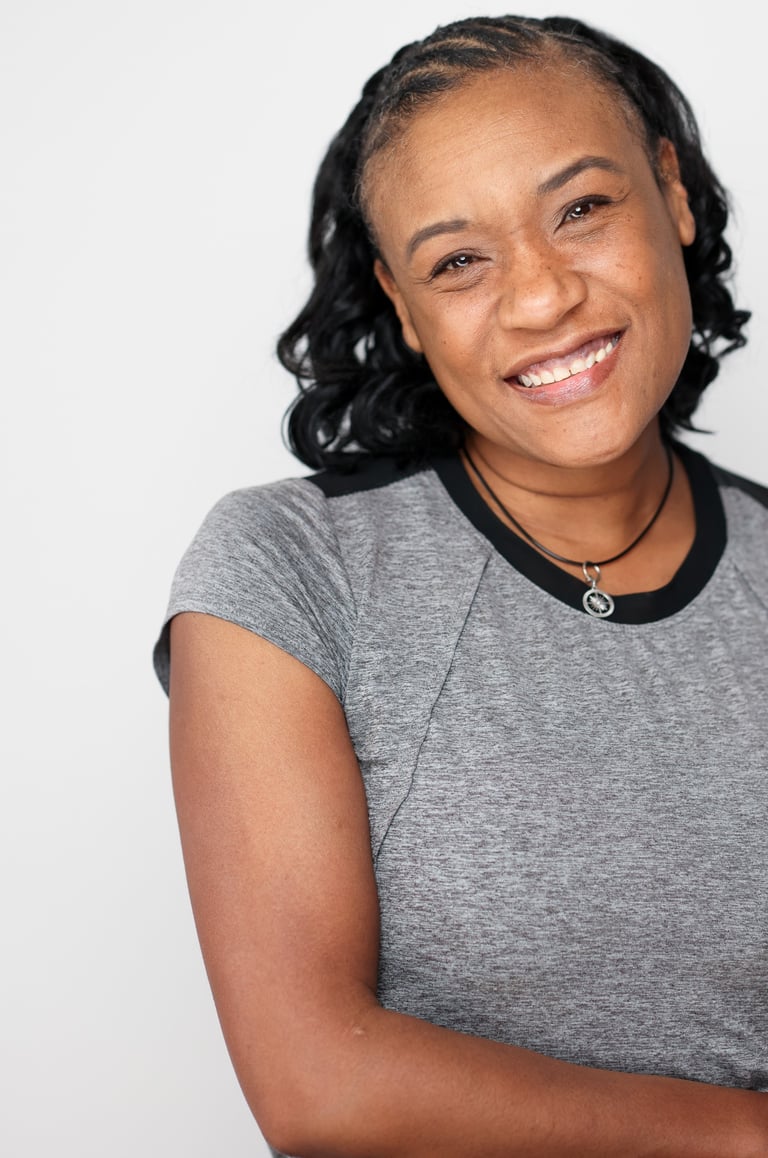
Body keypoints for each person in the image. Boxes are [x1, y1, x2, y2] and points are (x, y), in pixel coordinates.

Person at [153, 14, 768, 1157]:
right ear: (402, 303)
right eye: (458, 261)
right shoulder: (295, 565)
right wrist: (744, 1135)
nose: (540, 298)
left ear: (672, 194)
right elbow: (318, 1087)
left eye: (583, 209)